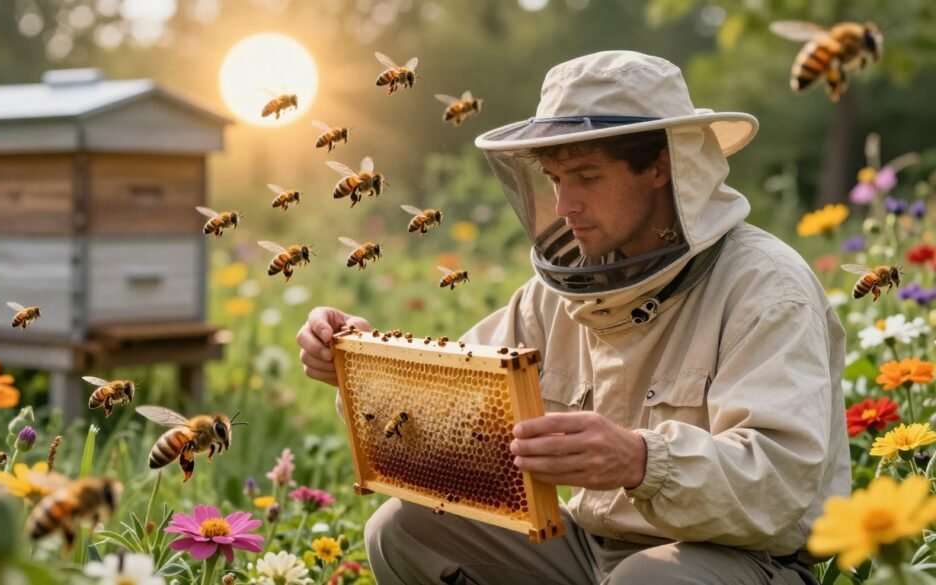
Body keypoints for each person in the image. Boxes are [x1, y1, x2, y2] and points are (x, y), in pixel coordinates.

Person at [296, 50, 849, 584]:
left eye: (587, 176)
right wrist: (356, 365)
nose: (563, 205)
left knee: (649, 580)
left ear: (662, 166)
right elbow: (448, 410)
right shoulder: (553, 295)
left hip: (741, 562)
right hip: (591, 549)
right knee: (405, 530)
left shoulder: (766, 287)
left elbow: (780, 484)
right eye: (556, 179)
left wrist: (639, 460)